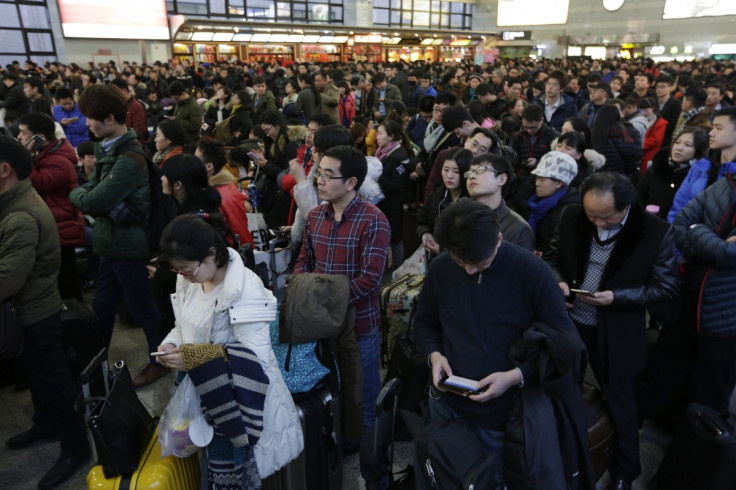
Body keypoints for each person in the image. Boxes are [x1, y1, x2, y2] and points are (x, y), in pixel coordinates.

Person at [412, 199, 590, 490]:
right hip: (445, 405)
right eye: (461, 262)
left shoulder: (533, 273)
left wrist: (516, 377)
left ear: (498, 239)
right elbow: (425, 322)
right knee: (444, 477)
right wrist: (434, 355)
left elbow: (566, 349)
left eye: (478, 264)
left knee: (491, 481)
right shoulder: (443, 267)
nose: (469, 271)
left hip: (501, 415)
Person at [544, 172, 679, 490]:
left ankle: (624, 471)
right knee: (561, 390)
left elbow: (665, 286)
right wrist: (558, 282)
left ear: (627, 206)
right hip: (570, 320)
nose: (597, 223)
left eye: (606, 217)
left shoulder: (654, 231)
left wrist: (617, 298)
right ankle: (564, 459)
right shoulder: (573, 215)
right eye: (592, 215)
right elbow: (550, 259)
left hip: (617, 329)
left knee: (621, 401)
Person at [155, 214, 302, 488]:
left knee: (237, 472)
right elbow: (184, 325)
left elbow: (253, 360)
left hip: (240, 402)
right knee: (211, 466)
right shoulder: (189, 279)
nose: (184, 275)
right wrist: (172, 344)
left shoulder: (244, 290)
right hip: (207, 394)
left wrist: (192, 358)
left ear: (212, 253)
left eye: (187, 268)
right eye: (178, 270)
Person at [0, 136, 89, 490]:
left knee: (54, 384)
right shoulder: (13, 203)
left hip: (35, 313)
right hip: (25, 311)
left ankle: (75, 447)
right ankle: (46, 424)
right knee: (38, 378)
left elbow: (7, 279)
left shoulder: (21, 214)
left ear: (4, 169)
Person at [69, 84, 166, 388]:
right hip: (109, 244)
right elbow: (93, 188)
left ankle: (159, 361)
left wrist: (78, 193)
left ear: (110, 119)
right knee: (102, 308)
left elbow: (94, 199)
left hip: (129, 247)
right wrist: (87, 192)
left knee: (142, 308)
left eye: (91, 118)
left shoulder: (129, 159)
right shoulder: (107, 149)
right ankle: (95, 368)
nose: (87, 123)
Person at [294, 145, 391, 431]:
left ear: (351, 183)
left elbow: (370, 279)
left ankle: (369, 461)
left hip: (359, 326)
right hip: (321, 326)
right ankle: (341, 447)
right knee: (330, 390)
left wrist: (324, 299)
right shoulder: (315, 217)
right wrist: (304, 288)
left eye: (328, 175)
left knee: (362, 396)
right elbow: (303, 261)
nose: (319, 181)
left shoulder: (373, 220)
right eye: (319, 173)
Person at [672, 106, 736, 416]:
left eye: (720, 127)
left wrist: (698, 233)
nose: (711, 132)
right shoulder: (716, 175)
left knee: (711, 388)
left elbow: (728, 254)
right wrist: (705, 237)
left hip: (726, 306)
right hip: (694, 288)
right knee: (678, 368)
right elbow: (680, 222)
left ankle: (701, 449)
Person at [17, 112, 85, 301]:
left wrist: (26, 157)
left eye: (23, 133)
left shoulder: (59, 161)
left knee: (67, 282)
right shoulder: (47, 154)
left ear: (41, 138)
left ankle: (76, 321)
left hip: (62, 228)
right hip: (54, 225)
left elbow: (38, 183)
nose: (19, 137)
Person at [466, 153, 535, 252]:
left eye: (480, 170)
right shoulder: (460, 216)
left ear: (502, 179)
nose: (471, 176)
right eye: (469, 172)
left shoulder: (518, 228)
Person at [637, 127, 709, 220]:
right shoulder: (657, 167)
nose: (679, 148)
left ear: (699, 150)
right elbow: (638, 195)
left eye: (688, 145)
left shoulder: (699, 177)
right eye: (677, 142)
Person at [196, 137, 254, 247]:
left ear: (209, 167)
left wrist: (245, 254)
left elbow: (238, 229)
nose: (192, 163)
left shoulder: (222, 195)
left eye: (196, 160)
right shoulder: (221, 188)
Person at [416, 147, 472, 257]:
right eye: (446, 170)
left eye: (456, 171)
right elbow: (422, 218)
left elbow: (468, 244)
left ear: (466, 173)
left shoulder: (472, 201)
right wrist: (424, 233)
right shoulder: (438, 190)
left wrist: (442, 250)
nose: (449, 176)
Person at [250, 110, 299, 228]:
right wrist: (261, 160)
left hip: (285, 195)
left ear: (278, 125)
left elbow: (288, 176)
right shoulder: (273, 143)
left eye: (268, 130)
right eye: (264, 131)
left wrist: (265, 164)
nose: (267, 134)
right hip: (273, 193)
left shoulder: (290, 144)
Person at [375, 119, 413, 268]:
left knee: (395, 237)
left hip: (393, 203)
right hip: (382, 201)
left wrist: (377, 175)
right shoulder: (380, 153)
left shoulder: (398, 156)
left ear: (391, 137)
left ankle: (397, 268)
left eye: (380, 133)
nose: (376, 137)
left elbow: (397, 185)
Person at [526, 151, 580, 256]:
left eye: (543, 179)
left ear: (559, 183)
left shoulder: (567, 211)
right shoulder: (539, 202)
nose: (537, 183)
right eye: (537, 177)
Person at [590, 104, 642, 175]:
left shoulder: (594, 136)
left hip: (601, 176)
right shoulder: (628, 133)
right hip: (623, 175)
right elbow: (636, 155)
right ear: (617, 116)